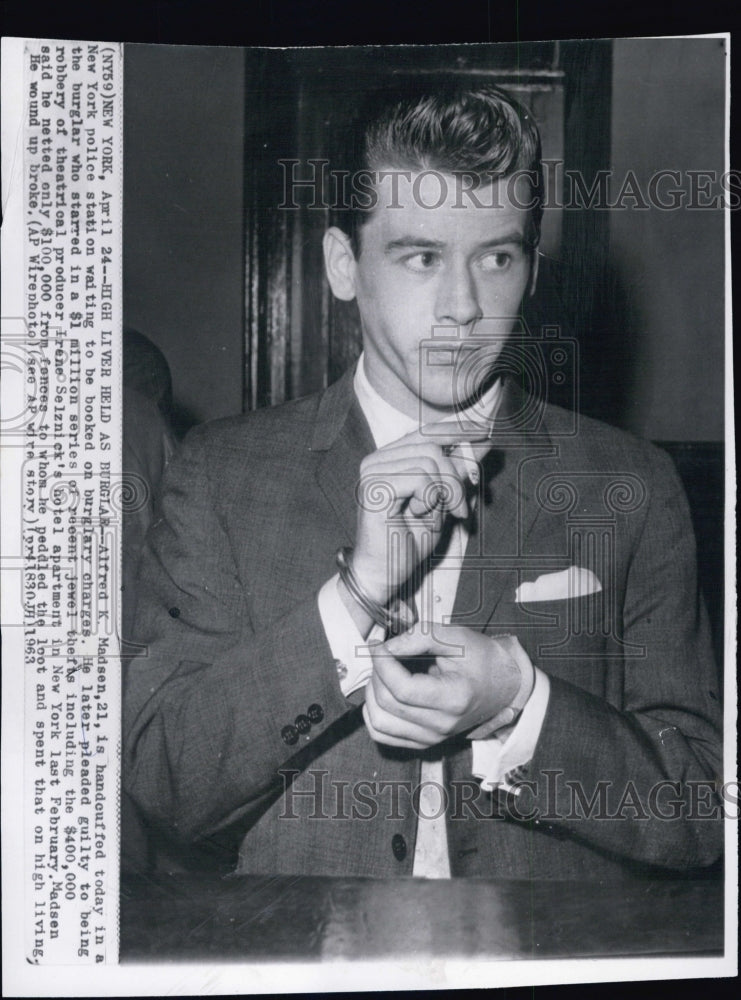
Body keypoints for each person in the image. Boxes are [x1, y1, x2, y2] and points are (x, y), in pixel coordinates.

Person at [123, 82, 723, 880]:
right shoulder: (220, 473)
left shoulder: (631, 484)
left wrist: (521, 702)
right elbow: (164, 785)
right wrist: (355, 598)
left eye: (496, 257)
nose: (463, 307)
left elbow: (697, 811)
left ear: (532, 270)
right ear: (343, 265)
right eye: (420, 257)